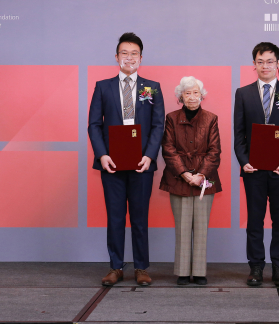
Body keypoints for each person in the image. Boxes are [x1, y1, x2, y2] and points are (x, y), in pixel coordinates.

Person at [88, 32, 165, 286]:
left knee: (140, 216)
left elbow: (157, 126)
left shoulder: (152, 87)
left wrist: (149, 155)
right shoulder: (103, 87)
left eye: (134, 53)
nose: (129, 57)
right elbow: (93, 125)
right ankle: (116, 266)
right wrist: (102, 155)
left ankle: (141, 268)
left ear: (141, 58)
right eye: (124, 53)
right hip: (112, 163)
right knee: (115, 216)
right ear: (116, 57)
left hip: (142, 163)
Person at [233, 42, 279, 286]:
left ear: (278, 63)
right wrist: (244, 161)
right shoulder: (243, 93)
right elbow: (238, 133)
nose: (265, 66)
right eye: (260, 61)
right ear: (254, 64)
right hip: (253, 169)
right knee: (254, 220)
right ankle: (255, 267)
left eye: (270, 61)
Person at [159, 76, 222, 286]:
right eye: (187, 93)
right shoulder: (171, 118)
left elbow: (215, 151)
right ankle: (183, 272)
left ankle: (200, 272)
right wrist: (185, 173)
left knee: (201, 227)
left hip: (205, 179)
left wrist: (201, 174)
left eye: (196, 93)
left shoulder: (211, 118)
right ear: (180, 97)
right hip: (178, 179)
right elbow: (168, 149)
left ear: (202, 95)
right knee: (183, 227)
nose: (192, 97)